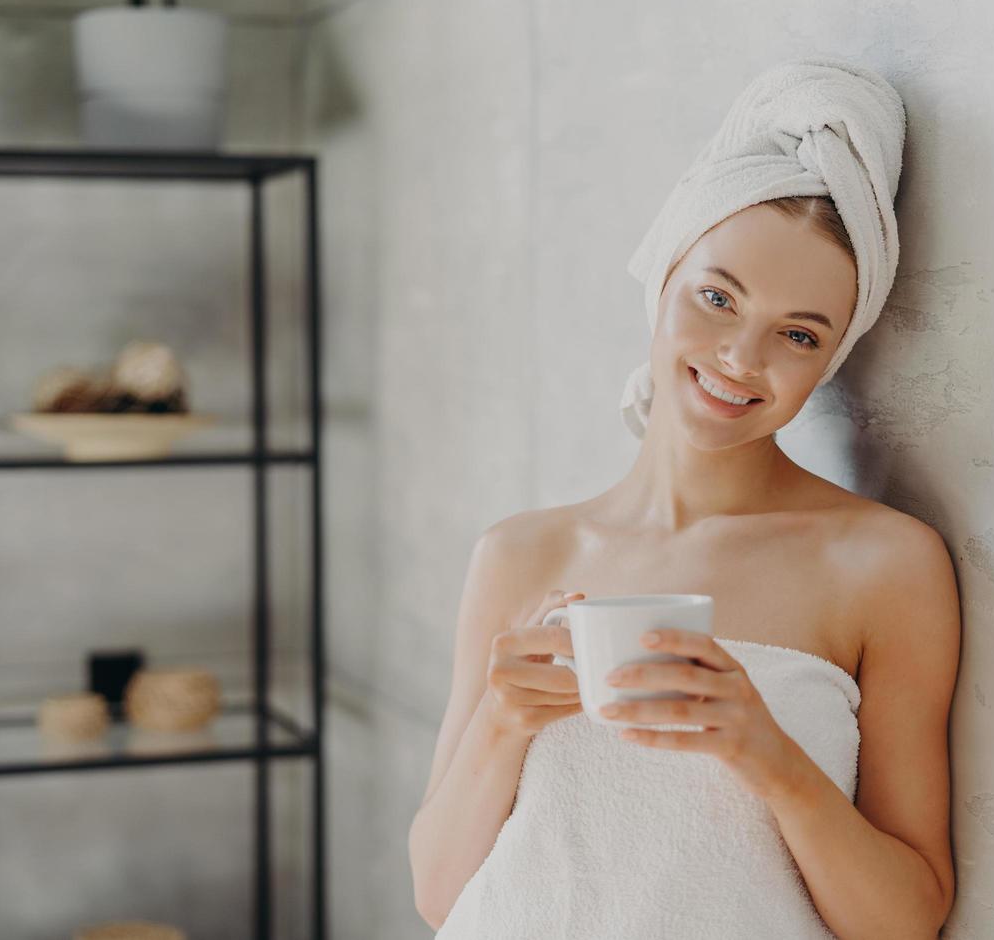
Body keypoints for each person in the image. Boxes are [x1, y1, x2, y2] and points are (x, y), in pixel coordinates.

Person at [408, 60, 960, 939]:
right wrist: (503, 723)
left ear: (834, 357)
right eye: (716, 296)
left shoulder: (882, 563)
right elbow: (440, 895)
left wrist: (766, 754)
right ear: (662, 275)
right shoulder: (520, 555)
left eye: (798, 334)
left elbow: (904, 921)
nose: (742, 357)